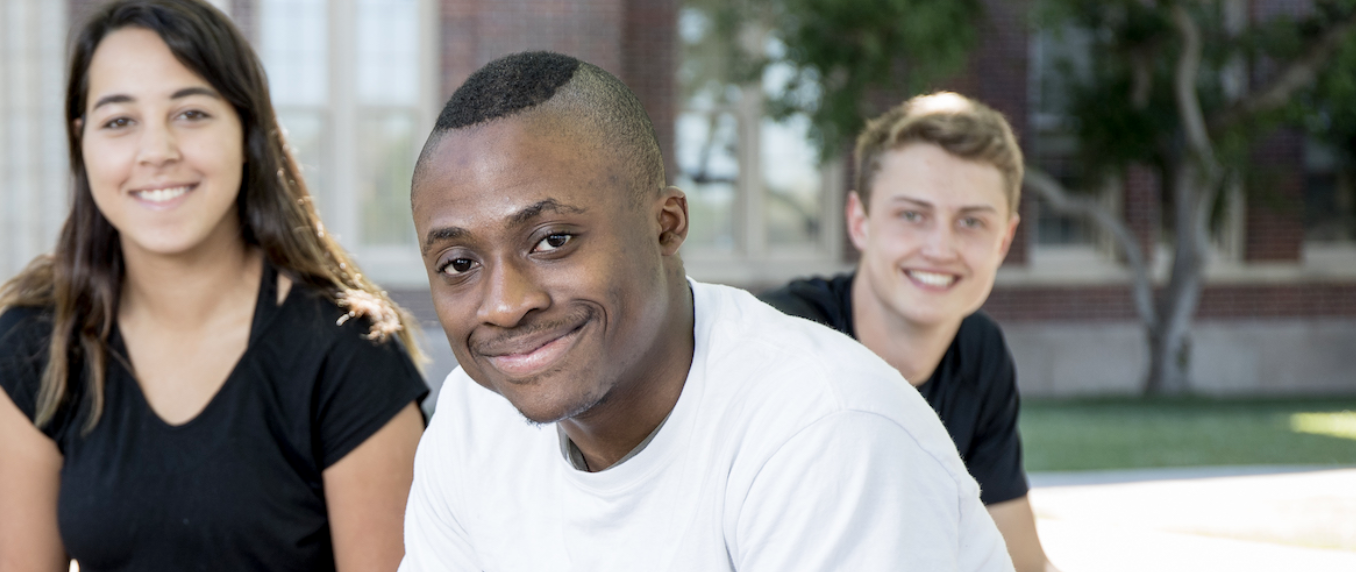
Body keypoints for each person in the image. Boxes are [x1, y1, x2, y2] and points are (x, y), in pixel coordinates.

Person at [399, 51, 1011, 571]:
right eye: (459, 264)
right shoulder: (472, 418)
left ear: (666, 227)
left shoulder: (825, 430)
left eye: (553, 240)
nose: (505, 306)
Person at [0, 1, 431, 570]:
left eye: (190, 113)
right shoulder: (35, 346)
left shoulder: (347, 353)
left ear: (246, 128)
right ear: (81, 140)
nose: (157, 151)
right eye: (119, 120)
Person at [759, 92, 1057, 572]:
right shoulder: (784, 342)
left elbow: (1021, 562)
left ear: (1004, 241)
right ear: (859, 221)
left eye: (972, 222)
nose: (941, 248)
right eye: (912, 215)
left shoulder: (979, 353)